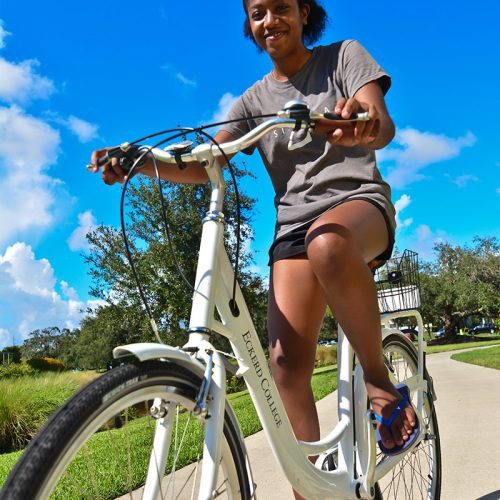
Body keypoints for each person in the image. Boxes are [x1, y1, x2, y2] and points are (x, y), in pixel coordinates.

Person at [91, 0, 417, 492]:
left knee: (327, 244)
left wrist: (365, 122)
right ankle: (311, 489)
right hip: (293, 228)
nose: (270, 21)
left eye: (281, 8)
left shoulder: (343, 57)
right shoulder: (251, 102)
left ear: (305, 12)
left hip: (357, 203)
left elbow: (381, 122)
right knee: (284, 368)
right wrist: (139, 161)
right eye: (258, 12)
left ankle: (378, 382)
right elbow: (207, 161)